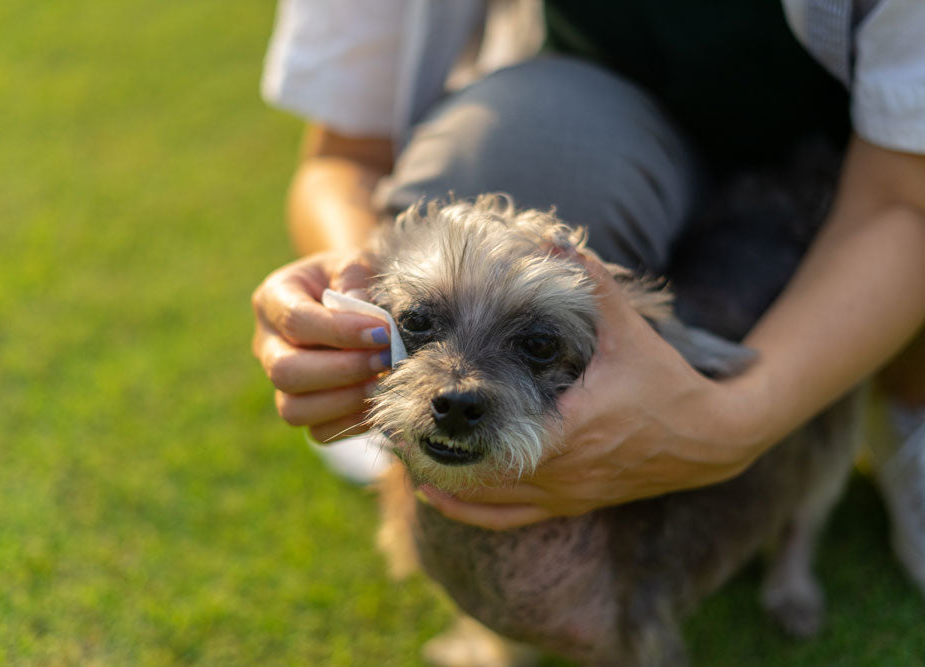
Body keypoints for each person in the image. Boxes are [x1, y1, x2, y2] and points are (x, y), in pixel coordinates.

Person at [252, 0, 925, 592]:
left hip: (881, 163)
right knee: (493, 175)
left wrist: (733, 422)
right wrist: (351, 289)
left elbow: (906, 201)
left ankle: (905, 380)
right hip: (602, 119)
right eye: (424, 322)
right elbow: (345, 156)